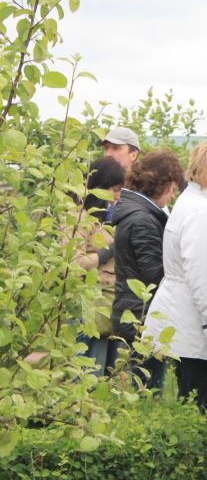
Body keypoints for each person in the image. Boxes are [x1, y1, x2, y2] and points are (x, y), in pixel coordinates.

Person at [144, 142, 207, 480]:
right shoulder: (202, 214)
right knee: (202, 410)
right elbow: (205, 275)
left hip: (188, 320)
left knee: (198, 407)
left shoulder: (198, 206)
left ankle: (200, 479)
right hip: (196, 326)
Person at [111, 150, 185, 389]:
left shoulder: (139, 213)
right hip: (141, 314)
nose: (172, 196)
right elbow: (154, 273)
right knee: (146, 388)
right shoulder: (143, 220)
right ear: (161, 184)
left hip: (134, 309)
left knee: (143, 383)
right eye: (172, 189)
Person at [74, 157, 125, 375]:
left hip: (105, 303)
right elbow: (74, 264)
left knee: (103, 372)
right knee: (87, 371)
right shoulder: (79, 217)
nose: (117, 196)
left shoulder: (104, 215)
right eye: (114, 189)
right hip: (88, 303)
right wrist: (105, 254)